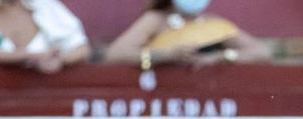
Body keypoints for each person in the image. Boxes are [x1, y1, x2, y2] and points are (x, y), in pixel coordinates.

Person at [103, 0, 273, 69]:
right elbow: (115, 54)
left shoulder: (213, 24)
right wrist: (166, 55)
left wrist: (220, 57)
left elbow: (262, 52)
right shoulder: (155, 20)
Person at [0, 0, 89, 74]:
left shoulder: (44, 5)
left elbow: (82, 49)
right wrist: (31, 57)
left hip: (45, 106)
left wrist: (60, 59)